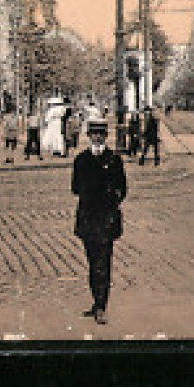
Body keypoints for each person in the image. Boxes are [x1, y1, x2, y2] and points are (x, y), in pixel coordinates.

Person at [71, 117, 127, 325]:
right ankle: (97, 302)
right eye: (94, 134)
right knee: (93, 262)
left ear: (105, 136)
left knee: (103, 263)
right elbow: (74, 188)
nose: (97, 137)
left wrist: (110, 200)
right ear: (89, 136)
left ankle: (101, 306)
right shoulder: (81, 160)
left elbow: (123, 189)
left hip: (105, 218)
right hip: (87, 218)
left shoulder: (114, 160)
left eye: (101, 134)